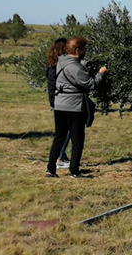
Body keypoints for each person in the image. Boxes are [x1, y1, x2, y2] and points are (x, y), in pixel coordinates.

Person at [46, 37, 107, 178]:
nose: (85, 51)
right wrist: (101, 73)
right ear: (77, 49)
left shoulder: (61, 61)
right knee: (77, 139)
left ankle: (50, 169)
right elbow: (91, 85)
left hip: (59, 105)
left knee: (59, 137)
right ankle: (74, 171)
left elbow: (75, 65)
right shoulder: (76, 67)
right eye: (84, 49)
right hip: (74, 106)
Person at [46, 38, 71, 169]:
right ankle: (59, 158)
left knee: (63, 131)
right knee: (64, 132)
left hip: (56, 101)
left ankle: (62, 155)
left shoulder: (52, 64)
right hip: (61, 101)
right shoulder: (58, 66)